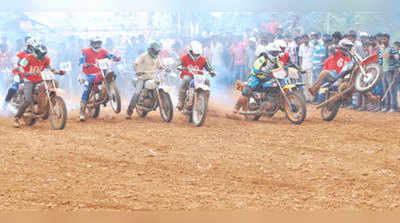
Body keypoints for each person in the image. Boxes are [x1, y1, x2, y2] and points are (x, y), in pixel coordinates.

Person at [13, 43, 65, 127]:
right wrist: (24, 71)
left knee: (54, 83)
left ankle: (44, 108)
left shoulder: (46, 59)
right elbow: (20, 66)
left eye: (43, 54)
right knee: (28, 100)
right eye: (41, 54)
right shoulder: (28, 57)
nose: (42, 56)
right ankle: (16, 118)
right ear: (36, 52)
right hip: (29, 80)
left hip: (40, 79)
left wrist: (58, 72)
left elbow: (50, 68)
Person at [229, 43, 282, 115]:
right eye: (274, 52)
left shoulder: (276, 60)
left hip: (268, 78)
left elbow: (280, 67)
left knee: (275, 89)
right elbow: (255, 68)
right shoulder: (262, 58)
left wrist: (284, 70)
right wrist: (259, 72)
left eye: (277, 52)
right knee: (246, 91)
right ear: (269, 52)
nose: (275, 54)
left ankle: (270, 104)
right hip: (257, 77)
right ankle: (236, 107)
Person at [78, 37, 121, 121]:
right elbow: (81, 60)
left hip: (101, 72)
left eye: (99, 43)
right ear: (91, 44)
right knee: (87, 89)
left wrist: (115, 58)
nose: (97, 45)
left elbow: (110, 55)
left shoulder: (103, 51)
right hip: (89, 73)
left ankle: (109, 92)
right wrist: (84, 63)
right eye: (95, 43)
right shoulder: (85, 52)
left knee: (112, 75)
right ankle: (82, 111)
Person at [126, 41, 169, 119]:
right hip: (142, 78)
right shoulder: (143, 56)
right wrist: (137, 71)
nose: (156, 52)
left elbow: (160, 66)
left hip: (153, 78)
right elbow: (135, 64)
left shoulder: (157, 57)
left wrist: (165, 68)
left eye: (157, 51)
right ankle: (129, 111)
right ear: (150, 49)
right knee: (137, 92)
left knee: (158, 86)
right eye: (155, 50)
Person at [176, 41, 216, 111]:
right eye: (194, 53)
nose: (195, 55)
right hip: (188, 75)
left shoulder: (203, 59)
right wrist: (179, 67)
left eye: (197, 54)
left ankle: (205, 102)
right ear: (190, 51)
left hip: (199, 77)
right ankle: (180, 101)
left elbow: (208, 66)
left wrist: (211, 71)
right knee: (185, 80)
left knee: (207, 81)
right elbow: (179, 64)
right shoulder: (184, 58)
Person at [2, 37, 38, 111]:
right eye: (32, 47)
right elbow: (15, 63)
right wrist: (17, 67)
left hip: (31, 75)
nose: (33, 49)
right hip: (19, 74)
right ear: (28, 46)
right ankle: (5, 104)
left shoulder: (36, 56)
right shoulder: (20, 54)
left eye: (34, 48)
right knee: (15, 86)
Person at [379, 33, 399, 113]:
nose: (383, 41)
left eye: (385, 39)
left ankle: (393, 107)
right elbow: (380, 61)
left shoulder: (392, 48)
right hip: (384, 71)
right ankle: (386, 107)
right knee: (385, 89)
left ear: (388, 39)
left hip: (391, 71)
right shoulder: (381, 49)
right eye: (382, 39)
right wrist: (380, 71)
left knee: (392, 90)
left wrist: (391, 56)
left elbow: (398, 58)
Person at [298, 34, 314, 102]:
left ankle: (312, 97)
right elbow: (300, 57)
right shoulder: (301, 46)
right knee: (304, 83)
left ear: (308, 39)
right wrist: (300, 66)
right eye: (303, 39)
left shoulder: (312, 46)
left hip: (311, 66)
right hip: (304, 66)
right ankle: (307, 98)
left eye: (305, 39)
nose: (304, 40)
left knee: (310, 82)